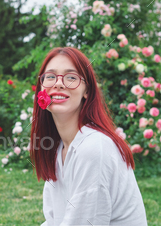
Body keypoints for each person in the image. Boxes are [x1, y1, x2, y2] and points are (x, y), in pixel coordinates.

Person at [29, 47, 148, 226]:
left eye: (71, 77)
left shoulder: (93, 147)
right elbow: (53, 220)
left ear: (87, 91)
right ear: (41, 88)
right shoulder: (58, 148)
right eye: (51, 77)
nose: (58, 84)